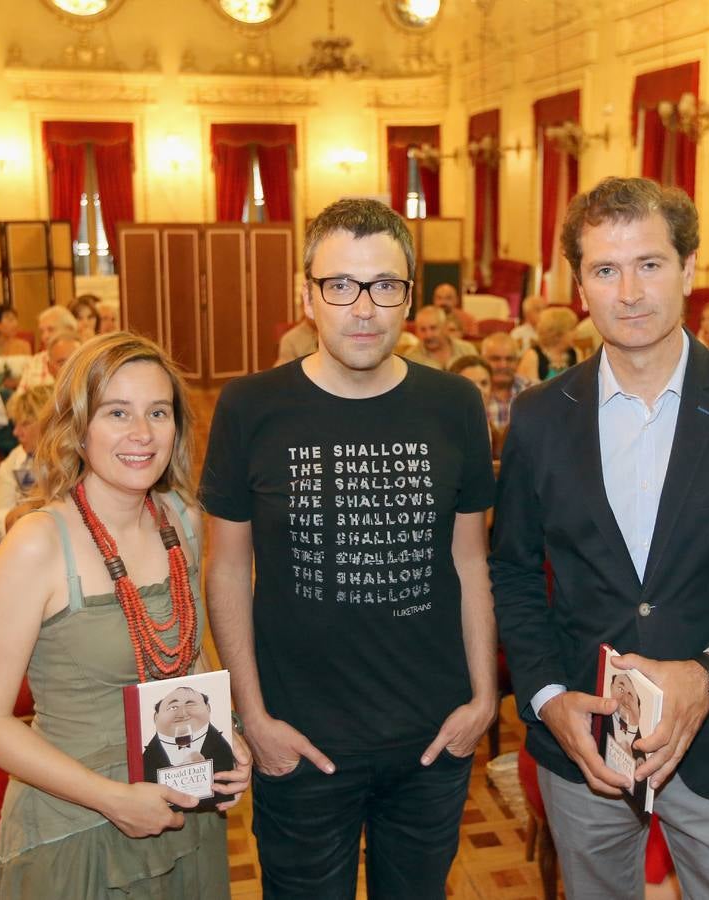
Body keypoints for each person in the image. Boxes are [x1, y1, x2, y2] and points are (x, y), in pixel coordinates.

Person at [491, 176, 709, 899]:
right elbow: (516, 574)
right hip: (585, 745)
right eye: (605, 269)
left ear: (688, 269)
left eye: (649, 264)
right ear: (579, 286)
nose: (629, 291)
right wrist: (549, 696)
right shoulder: (539, 417)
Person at [201, 198, 497, 899]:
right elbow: (227, 568)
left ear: (408, 297)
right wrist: (254, 718)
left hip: (432, 738)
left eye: (384, 286)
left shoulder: (455, 404)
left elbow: (471, 561)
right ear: (308, 295)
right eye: (341, 285)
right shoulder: (249, 407)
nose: (363, 308)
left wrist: (483, 699)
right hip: (299, 741)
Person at [0, 332, 250, 898]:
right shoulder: (36, 546)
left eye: (157, 413)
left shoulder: (182, 520)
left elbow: (186, 650)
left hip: (181, 810)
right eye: (118, 412)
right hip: (78, 827)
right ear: (78, 427)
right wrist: (112, 799)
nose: (141, 434)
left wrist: (226, 737)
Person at [0, 384, 53, 543]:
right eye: (15, 424)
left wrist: (33, 508)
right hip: (22, 542)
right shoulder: (14, 460)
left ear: (48, 423)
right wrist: (15, 520)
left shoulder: (78, 459)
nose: (16, 432)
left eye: (24, 424)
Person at [141, 686, 237, 783]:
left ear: (208, 708)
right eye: (173, 707)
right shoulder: (144, 759)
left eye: (190, 705)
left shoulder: (225, 747)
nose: (183, 713)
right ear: (156, 717)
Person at [15, 306, 80, 395]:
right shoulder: (35, 361)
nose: (44, 336)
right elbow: (20, 399)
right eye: (42, 331)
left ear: (69, 329)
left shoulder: (84, 357)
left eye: (51, 329)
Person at [480, 331, 531, 430]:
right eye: (495, 359)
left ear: (517, 361)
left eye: (510, 359)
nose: (503, 365)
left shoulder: (533, 391)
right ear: (482, 359)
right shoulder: (472, 394)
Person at [404, 305, 478, 370]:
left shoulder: (467, 350)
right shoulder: (411, 359)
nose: (428, 335)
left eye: (433, 328)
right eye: (423, 330)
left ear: (444, 327)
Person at [517, 305, 579, 381]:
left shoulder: (575, 354)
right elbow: (531, 391)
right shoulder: (533, 356)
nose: (577, 333)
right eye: (572, 329)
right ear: (557, 333)